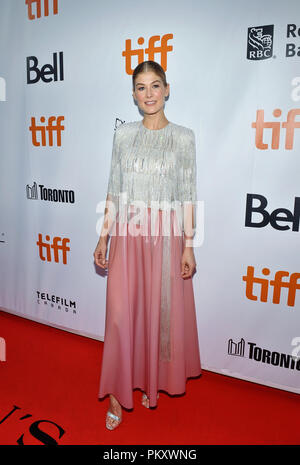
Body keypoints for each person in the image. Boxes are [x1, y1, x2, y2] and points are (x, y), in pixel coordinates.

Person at [94, 60, 201, 431]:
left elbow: (188, 194)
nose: (149, 94)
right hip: (128, 233)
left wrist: (189, 245)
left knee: (158, 317)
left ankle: (149, 382)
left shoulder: (184, 137)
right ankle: (115, 394)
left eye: (156, 86)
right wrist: (103, 234)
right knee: (121, 317)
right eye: (141, 87)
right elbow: (113, 187)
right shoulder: (122, 135)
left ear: (167, 89)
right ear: (134, 94)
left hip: (165, 237)